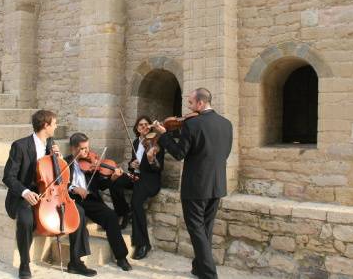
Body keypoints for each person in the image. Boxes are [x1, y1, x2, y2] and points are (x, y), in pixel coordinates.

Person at [2, 110, 98, 278]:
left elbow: (57, 176)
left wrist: (59, 161)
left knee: (79, 212)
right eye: (54, 123)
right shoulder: (20, 146)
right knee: (25, 220)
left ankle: (76, 262)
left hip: (48, 195)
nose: (56, 126)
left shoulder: (51, 144)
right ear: (45, 125)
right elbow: (8, 177)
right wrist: (25, 192)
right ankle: (25, 263)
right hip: (23, 197)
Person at [153, 88, 233, 279]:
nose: (188, 107)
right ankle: (198, 267)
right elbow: (225, 154)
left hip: (196, 186)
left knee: (197, 229)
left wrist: (164, 135)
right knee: (206, 228)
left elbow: (179, 153)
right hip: (217, 184)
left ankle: (209, 274)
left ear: (200, 103)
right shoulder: (226, 124)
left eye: (190, 102)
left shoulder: (193, 124)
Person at [65, 132, 133, 272]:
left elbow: (101, 185)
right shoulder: (65, 163)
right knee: (80, 215)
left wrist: (112, 179)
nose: (86, 152)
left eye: (87, 148)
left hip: (90, 199)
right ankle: (77, 262)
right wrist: (74, 188)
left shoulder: (92, 164)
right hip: (72, 200)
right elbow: (60, 184)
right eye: (82, 149)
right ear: (73, 149)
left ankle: (121, 257)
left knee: (111, 216)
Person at [109, 115, 164, 260]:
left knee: (136, 202)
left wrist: (150, 161)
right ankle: (124, 212)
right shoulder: (135, 142)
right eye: (141, 125)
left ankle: (143, 244)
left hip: (149, 181)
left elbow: (158, 168)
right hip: (136, 177)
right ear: (137, 128)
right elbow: (134, 163)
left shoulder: (155, 142)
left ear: (151, 127)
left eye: (147, 125)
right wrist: (131, 165)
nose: (144, 127)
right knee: (114, 181)